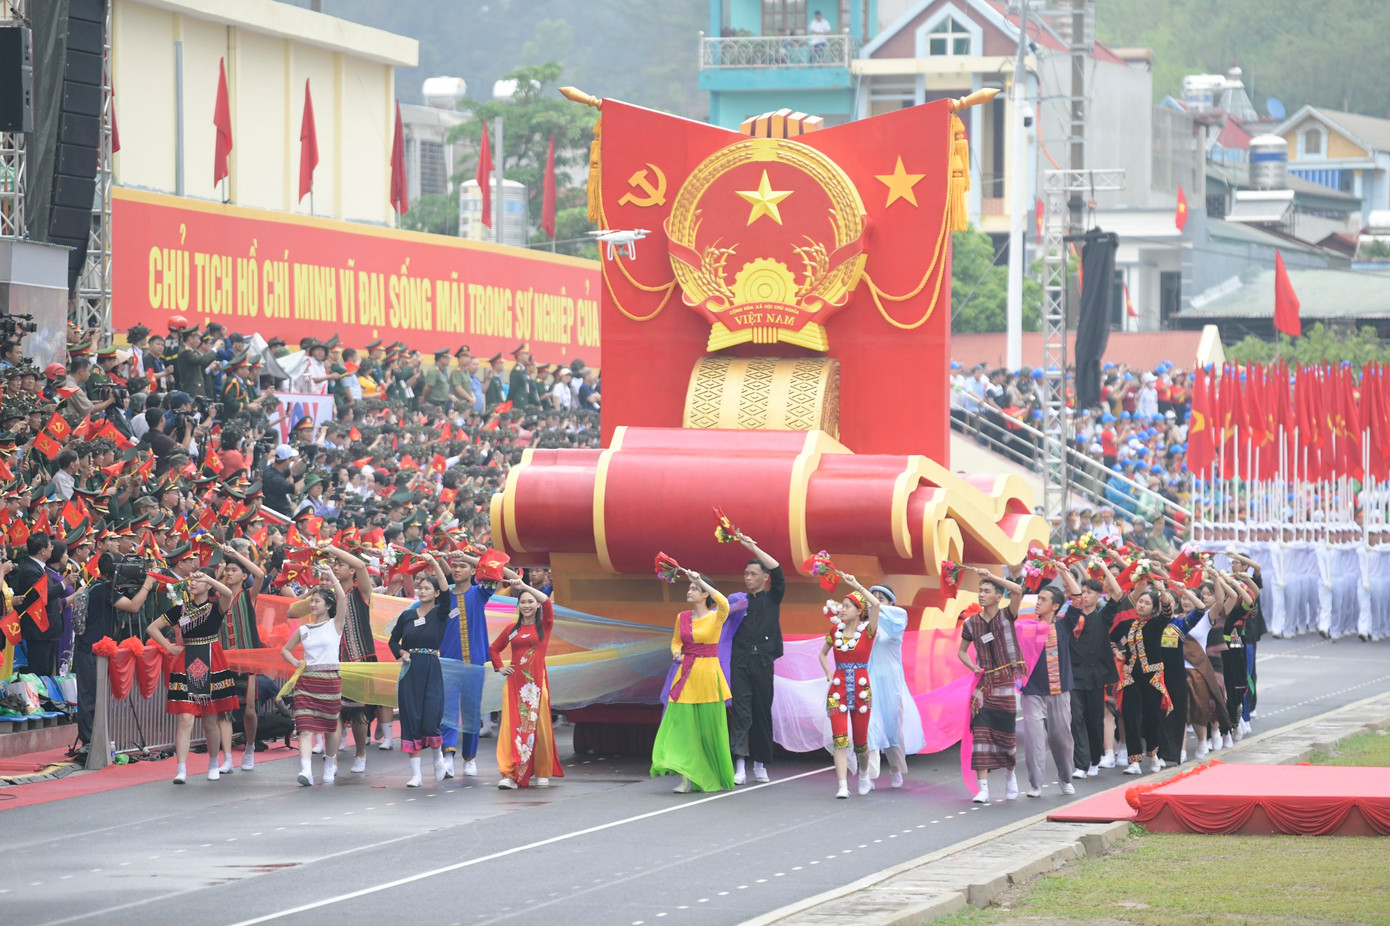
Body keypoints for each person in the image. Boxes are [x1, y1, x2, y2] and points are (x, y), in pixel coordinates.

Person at [147, 570, 240, 784]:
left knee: (210, 719)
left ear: (208, 585)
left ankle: (214, 763)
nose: (194, 583)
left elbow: (229, 594)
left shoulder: (216, 607)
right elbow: (152, 628)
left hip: (211, 660)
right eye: (192, 580)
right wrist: (170, 647)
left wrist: (208, 578)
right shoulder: (180, 610)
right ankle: (181, 769)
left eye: (199, 581)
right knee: (185, 718)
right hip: (187, 661)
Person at [651, 568, 734, 794]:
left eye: (695, 588)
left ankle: (710, 773)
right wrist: (676, 652)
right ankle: (684, 778)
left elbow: (724, 603)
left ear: (705, 594)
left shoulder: (716, 616)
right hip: (686, 675)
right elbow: (676, 641)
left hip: (708, 676)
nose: (689, 591)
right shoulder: (683, 617)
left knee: (707, 731)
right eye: (689, 587)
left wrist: (701, 581)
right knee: (682, 728)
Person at [74, 556, 157, 755]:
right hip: (89, 650)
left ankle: (96, 739)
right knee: (89, 696)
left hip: (94, 650)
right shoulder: (103, 590)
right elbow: (134, 606)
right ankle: (89, 742)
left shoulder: (101, 587)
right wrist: (148, 583)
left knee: (94, 695)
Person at [958, 567, 1025, 803]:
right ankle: (983, 789)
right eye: (980, 590)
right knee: (981, 734)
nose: (981, 594)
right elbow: (961, 652)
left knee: (1006, 735)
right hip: (984, 684)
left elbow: (1017, 590)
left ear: (998, 596)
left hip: (1005, 682)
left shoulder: (1007, 615)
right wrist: (973, 667)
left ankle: (1010, 776)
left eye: (987, 591)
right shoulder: (971, 623)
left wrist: (992, 576)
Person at [489, 573, 563, 789]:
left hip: (537, 686)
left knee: (539, 728)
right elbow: (494, 649)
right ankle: (510, 774)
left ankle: (541, 771)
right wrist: (500, 667)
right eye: (523, 602)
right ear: (518, 605)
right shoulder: (512, 630)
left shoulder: (544, 626)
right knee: (512, 728)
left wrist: (524, 586)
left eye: (531, 601)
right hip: (514, 685)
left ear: (536, 605)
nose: (527, 605)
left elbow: (547, 602)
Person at [323, 541, 389, 770]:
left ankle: (360, 754)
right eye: (334, 563)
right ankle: (331, 759)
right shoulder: (331, 595)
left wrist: (332, 548)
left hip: (359, 657)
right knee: (334, 710)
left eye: (340, 564)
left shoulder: (361, 591)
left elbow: (361, 566)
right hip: (334, 658)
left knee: (359, 710)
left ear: (351, 569)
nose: (336, 567)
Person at [388, 554, 453, 787]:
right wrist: (401, 652)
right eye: (420, 587)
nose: (422, 591)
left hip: (432, 668)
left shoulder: (441, 613)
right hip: (410, 670)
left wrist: (434, 563)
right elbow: (393, 641)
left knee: (431, 717)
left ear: (435, 593)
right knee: (410, 717)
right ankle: (416, 774)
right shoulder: (407, 616)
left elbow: (446, 589)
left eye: (427, 588)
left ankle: (437, 760)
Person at [281, 568, 347, 786]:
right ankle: (306, 770)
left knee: (330, 727)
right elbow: (285, 650)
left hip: (329, 681)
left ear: (328, 605)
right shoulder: (304, 629)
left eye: (317, 601)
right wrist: (296, 663)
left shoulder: (335, 624)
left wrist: (331, 576)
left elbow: (343, 598)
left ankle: (329, 764)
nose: (313, 604)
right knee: (305, 726)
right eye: (312, 601)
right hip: (307, 681)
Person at [728, 528, 784, 785]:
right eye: (746, 574)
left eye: (753, 574)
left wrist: (751, 546)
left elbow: (778, 569)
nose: (748, 578)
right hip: (739, 662)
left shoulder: (773, 597)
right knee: (741, 713)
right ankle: (740, 764)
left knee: (761, 712)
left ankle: (760, 764)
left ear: (765, 577)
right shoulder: (738, 601)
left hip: (762, 662)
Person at [819, 573, 881, 798]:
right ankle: (843, 785)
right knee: (840, 740)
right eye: (842, 606)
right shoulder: (835, 631)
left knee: (861, 742)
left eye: (847, 606)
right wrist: (829, 673)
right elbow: (822, 654)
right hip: (838, 690)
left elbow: (876, 605)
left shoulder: (868, 632)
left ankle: (864, 775)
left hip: (861, 691)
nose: (842, 609)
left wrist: (857, 585)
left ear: (858, 610)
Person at [1020, 565, 1080, 797]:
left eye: (1043, 599)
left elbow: (1077, 598)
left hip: (1059, 690)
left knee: (1061, 739)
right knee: (1034, 740)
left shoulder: (1064, 624)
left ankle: (1065, 778)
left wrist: (1064, 572)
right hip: (1032, 691)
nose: (1038, 602)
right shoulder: (1028, 627)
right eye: (1038, 598)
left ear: (1055, 606)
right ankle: (1035, 784)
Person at [440, 551, 497, 778]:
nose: (457, 569)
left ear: (473, 570)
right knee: (448, 711)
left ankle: (470, 758)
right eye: (455, 566)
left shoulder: (479, 593)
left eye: (462, 566)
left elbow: (494, 573)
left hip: (474, 664)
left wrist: (469, 556)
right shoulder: (444, 596)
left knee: (472, 711)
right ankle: (448, 756)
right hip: (448, 663)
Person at [1110, 586, 1173, 775]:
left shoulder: (1156, 624)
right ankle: (1134, 761)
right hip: (1130, 677)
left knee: (1150, 718)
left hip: (1151, 677)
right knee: (1130, 718)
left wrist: (1162, 592)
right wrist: (1116, 651)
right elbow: (1112, 639)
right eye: (1140, 601)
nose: (1142, 605)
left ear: (1153, 608)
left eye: (1147, 603)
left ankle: (1153, 754)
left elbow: (1167, 612)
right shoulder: (1126, 625)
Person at [866, 584, 920, 789]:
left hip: (891, 684)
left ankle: (896, 769)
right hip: (869, 680)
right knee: (869, 726)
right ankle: (869, 775)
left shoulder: (897, 622)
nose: (875, 602)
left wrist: (876, 606)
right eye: (873, 598)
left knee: (892, 728)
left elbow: (887, 614)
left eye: (881, 599)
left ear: (891, 603)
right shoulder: (866, 626)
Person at [1068, 573, 1122, 776]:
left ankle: (1094, 759)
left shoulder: (1103, 616)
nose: (1085, 595)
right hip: (1074, 675)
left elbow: (1117, 592)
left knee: (1094, 719)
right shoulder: (1072, 616)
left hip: (1096, 675)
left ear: (1099, 595)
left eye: (1089, 592)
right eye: (1082, 591)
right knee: (1076, 718)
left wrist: (1103, 567)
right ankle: (1081, 764)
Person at [218, 542, 265, 771]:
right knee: (224, 710)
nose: (229, 573)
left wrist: (235, 553)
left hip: (247, 661)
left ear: (243, 576)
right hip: (224, 661)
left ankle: (250, 747)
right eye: (227, 570)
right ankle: (227, 758)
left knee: (249, 710)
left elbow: (260, 575)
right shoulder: (220, 598)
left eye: (234, 570)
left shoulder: (248, 596)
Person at [16, 532, 62, 676]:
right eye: (50, 547)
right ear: (42, 551)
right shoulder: (30, 570)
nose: (51, 549)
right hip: (39, 631)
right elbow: (43, 595)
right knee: (38, 674)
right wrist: (64, 584)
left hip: (48, 631)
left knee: (47, 673)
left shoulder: (41, 567)